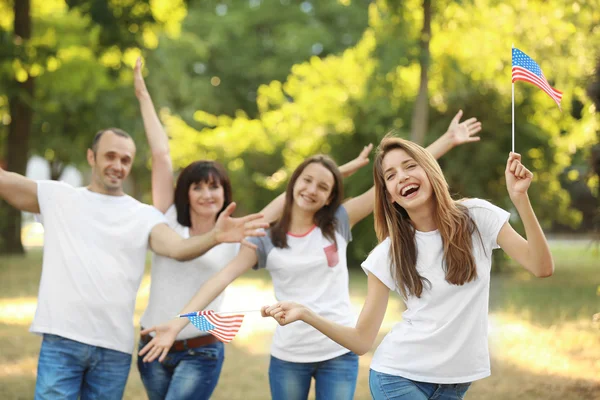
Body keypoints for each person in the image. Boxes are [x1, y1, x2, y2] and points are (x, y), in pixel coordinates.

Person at [138, 115, 482, 400]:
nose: (311, 190)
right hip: (288, 356)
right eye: (306, 181)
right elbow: (219, 279)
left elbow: (389, 184)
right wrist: (180, 321)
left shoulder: (337, 224)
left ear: (331, 196)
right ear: (293, 183)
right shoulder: (266, 237)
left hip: (338, 353)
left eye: (323, 187)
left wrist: (446, 141)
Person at [262, 137, 554, 400]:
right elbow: (362, 341)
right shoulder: (388, 254)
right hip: (396, 376)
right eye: (390, 175)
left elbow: (541, 267)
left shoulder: (478, 217)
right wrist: (306, 314)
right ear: (389, 194)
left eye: (409, 166)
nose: (402, 177)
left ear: (429, 170)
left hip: (455, 383)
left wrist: (520, 199)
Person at [0, 126, 268, 400]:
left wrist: (215, 236)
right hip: (62, 340)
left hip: (113, 348)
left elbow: (178, 249)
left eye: (125, 159)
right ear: (92, 157)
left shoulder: (143, 215)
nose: (117, 165)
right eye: (110, 156)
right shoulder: (58, 197)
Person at [133, 58, 287, 400]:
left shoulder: (240, 232)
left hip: (199, 350)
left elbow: (286, 200)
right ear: (185, 193)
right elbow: (160, 154)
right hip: (152, 344)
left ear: (224, 192)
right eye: (198, 187)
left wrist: (329, 174)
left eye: (214, 187)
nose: (206, 194)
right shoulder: (167, 217)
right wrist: (143, 95)